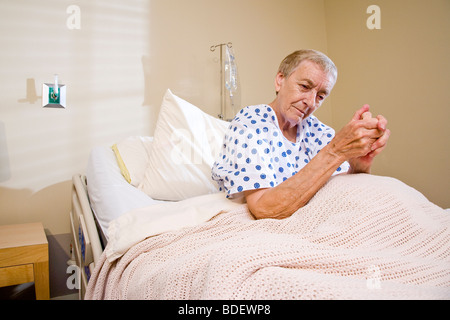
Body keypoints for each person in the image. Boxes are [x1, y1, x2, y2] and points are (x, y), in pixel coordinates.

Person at [212, 49, 390, 220]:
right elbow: (263, 208)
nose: (310, 102)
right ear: (280, 80)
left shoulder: (318, 131)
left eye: (320, 96)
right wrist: (335, 151)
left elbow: (339, 193)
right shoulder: (251, 123)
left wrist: (358, 165)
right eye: (305, 86)